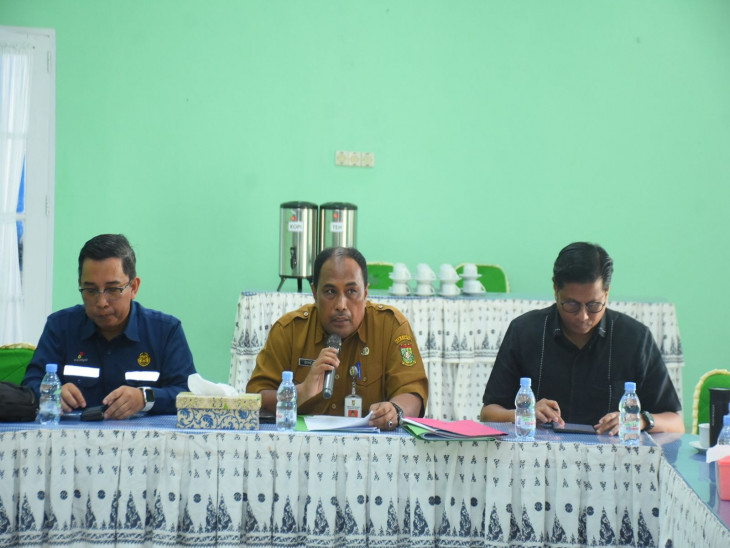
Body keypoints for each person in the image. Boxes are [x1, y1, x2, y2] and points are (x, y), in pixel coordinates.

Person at [480, 242, 684, 434]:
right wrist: (522, 414)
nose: (583, 317)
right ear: (555, 290)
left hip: (612, 462)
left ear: (606, 293)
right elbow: (488, 412)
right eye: (571, 305)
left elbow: (675, 423)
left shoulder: (635, 338)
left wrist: (640, 420)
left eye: (594, 305)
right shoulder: (524, 331)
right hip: (539, 460)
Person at [246, 247, 429, 430]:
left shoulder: (391, 327)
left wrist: (394, 410)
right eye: (330, 292)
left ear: (365, 293)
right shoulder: (289, 330)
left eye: (351, 291)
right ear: (315, 293)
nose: (341, 305)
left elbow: (412, 391)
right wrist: (299, 393)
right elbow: (255, 398)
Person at [22, 234, 196, 419]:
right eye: (90, 290)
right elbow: (30, 384)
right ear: (80, 285)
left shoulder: (165, 331)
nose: (101, 302)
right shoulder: (60, 327)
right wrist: (51, 393)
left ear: (134, 287)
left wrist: (145, 398)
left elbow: (188, 394)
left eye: (113, 289)